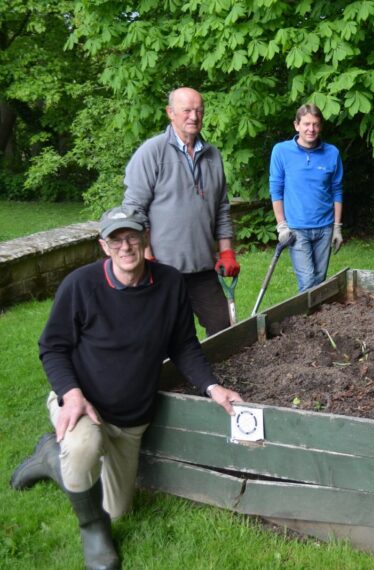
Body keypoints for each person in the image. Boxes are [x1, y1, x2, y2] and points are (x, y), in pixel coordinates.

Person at [9, 206, 243, 569]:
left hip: (132, 419)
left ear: (145, 237)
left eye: (132, 236)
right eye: (115, 239)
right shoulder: (80, 285)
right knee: (83, 446)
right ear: (104, 246)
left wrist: (212, 387)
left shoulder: (169, 284)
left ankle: (50, 458)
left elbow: (183, 345)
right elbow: (52, 347)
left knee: (118, 509)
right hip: (84, 405)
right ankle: (93, 531)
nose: (125, 246)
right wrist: (71, 395)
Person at [123, 87, 239, 336]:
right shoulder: (152, 152)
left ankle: (218, 376)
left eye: (199, 110)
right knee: (168, 337)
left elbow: (221, 208)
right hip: (162, 270)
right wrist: (146, 255)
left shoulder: (212, 156)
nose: (193, 117)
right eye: (186, 110)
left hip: (203, 269)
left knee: (223, 330)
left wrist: (227, 251)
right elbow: (134, 210)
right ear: (170, 113)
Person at [269, 103, 344, 292]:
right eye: (306, 124)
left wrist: (337, 228)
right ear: (297, 125)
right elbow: (276, 190)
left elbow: (337, 190)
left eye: (316, 125)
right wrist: (282, 226)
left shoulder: (332, 153)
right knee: (308, 282)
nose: (311, 129)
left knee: (320, 280)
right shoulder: (281, 151)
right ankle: (306, 320)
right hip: (297, 229)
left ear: (320, 127)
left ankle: (317, 320)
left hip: (325, 228)